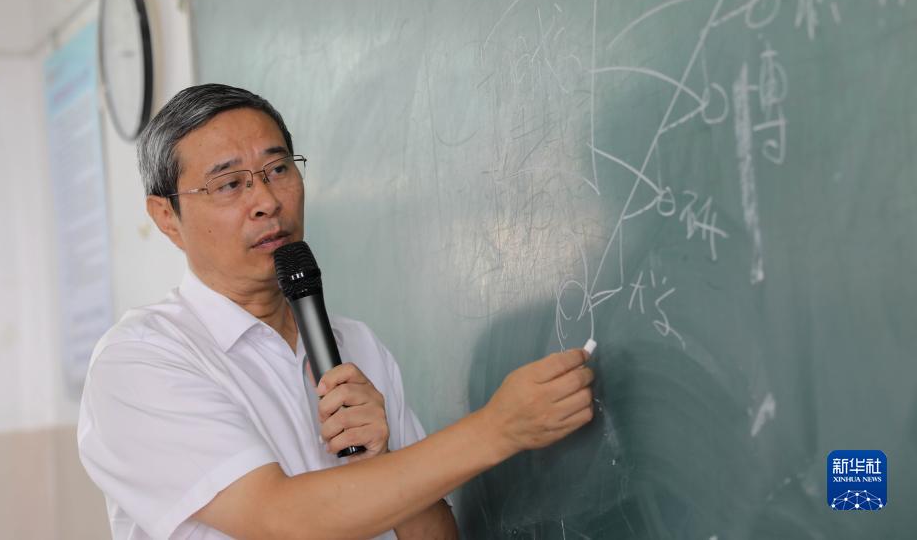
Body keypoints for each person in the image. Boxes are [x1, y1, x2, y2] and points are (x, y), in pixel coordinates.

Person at [78, 84, 595, 539]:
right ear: (166, 217)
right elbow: (284, 520)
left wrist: (382, 459)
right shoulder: (141, 361)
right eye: (230, 183)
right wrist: (499, 429)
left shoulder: (354, 344)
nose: (267, 201)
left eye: (278, 169)